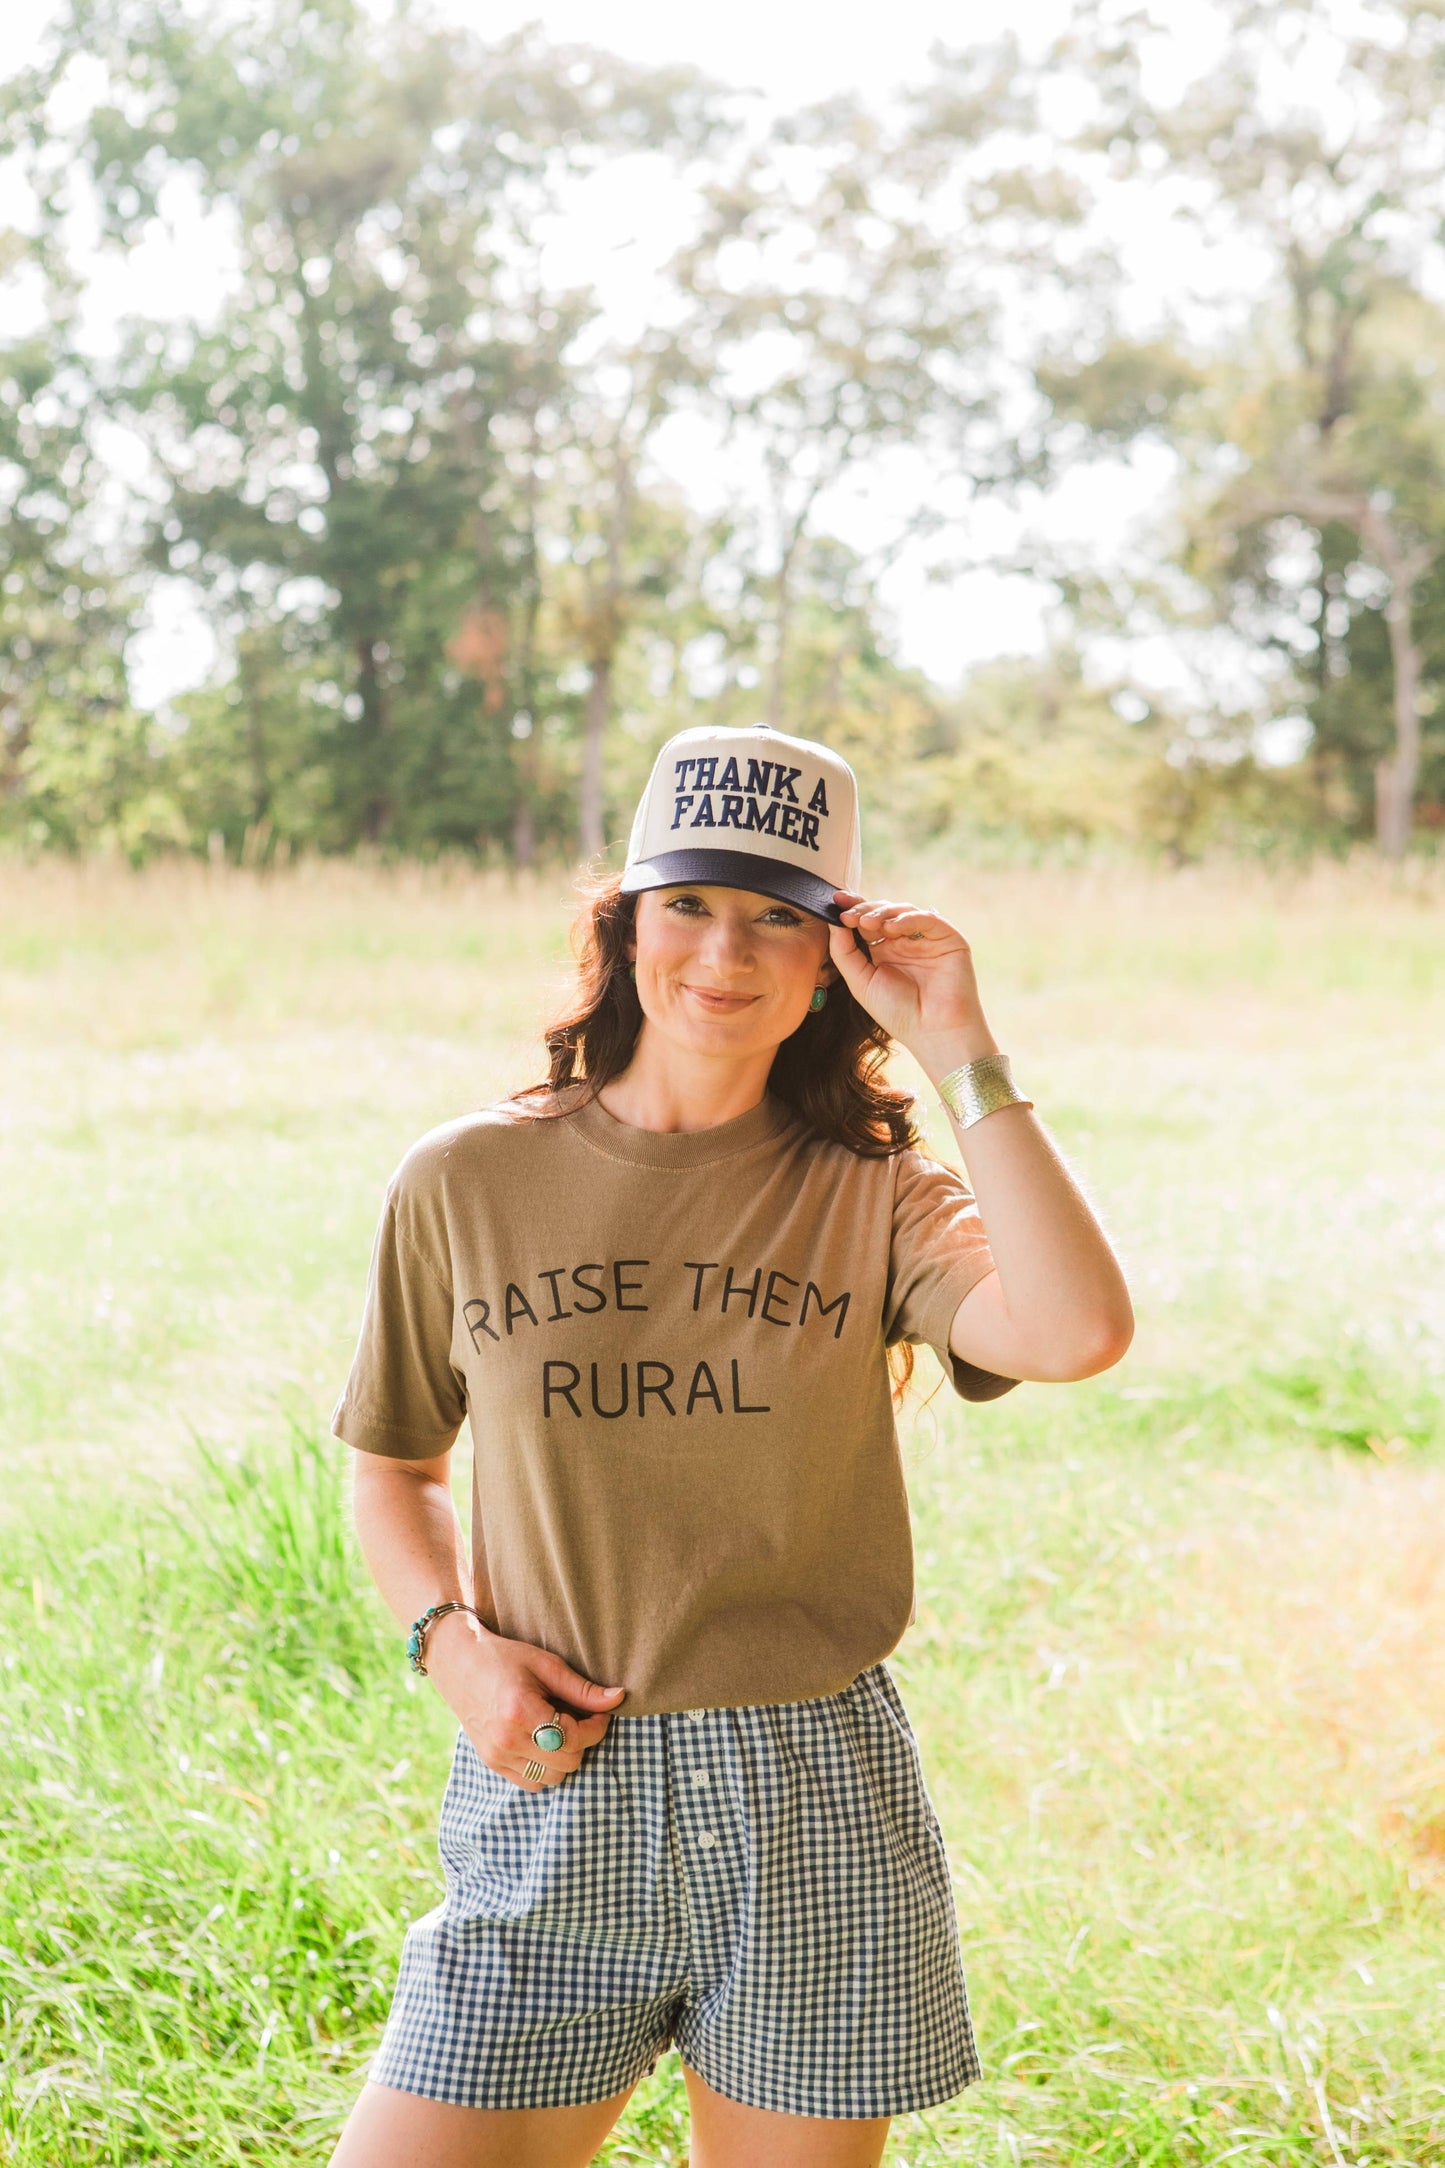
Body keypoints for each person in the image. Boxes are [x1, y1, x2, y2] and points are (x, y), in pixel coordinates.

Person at [327, 723, 1133, 2168]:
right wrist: (451, 1646)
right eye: (688, 904)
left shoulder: (875, 1195)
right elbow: (390, 1463)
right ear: (625, 921)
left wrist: (964, 1050)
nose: (725, 953)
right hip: (557, 1785)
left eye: (780, 917)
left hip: (810, 1795)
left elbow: (1072, 1331)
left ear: (833, 956)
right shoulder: (466, 1178)